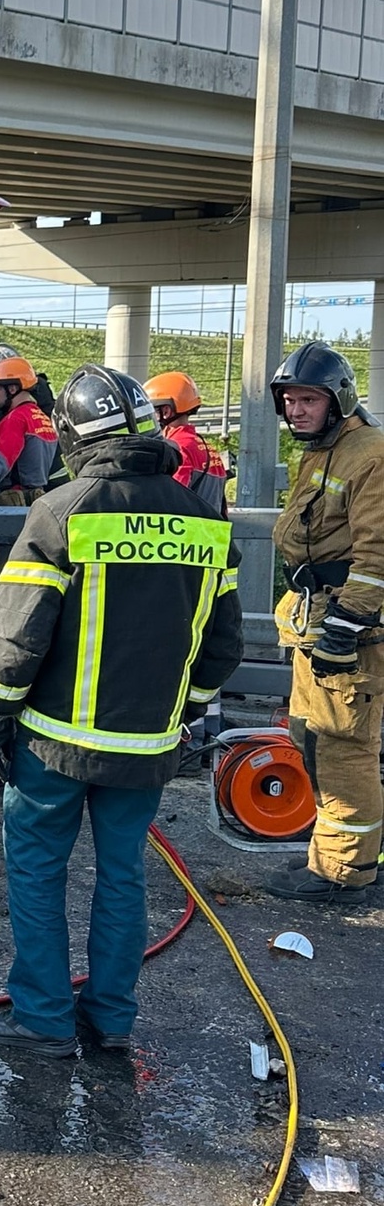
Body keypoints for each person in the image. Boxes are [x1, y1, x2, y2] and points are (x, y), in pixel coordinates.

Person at [0, 365, 242, 1057]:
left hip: (53, 746)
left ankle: (43, 1019)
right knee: (123, 876)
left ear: (72, 437)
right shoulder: (206, 521)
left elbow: (17, 638)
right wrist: (183, 712)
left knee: (38, 871)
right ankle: (112, 1019)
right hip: (148, 747)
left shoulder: (62, 512)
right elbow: (224, 644)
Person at [268, 342, 384, 902]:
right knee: (310, 738)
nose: (296, 410)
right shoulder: (322, 449)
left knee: (344, 745)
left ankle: (344, 874)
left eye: (309, 399)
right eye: (289, 400)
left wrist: (348, 623)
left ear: (337, 399)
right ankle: (332, 851)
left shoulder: (369, 454)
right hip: (316, 618)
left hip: (348, 628)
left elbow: (378, 552)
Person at [0, 357, 63, 506]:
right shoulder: (41, 418)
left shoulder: (15, 419)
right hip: (36, 500)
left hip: (13, 502)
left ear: (12, 389)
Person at [144, 371, 228, 518]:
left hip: (186, 536)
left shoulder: (176, 448)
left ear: (166, 411)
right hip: (212, 536)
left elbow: (170, 503)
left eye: (150, 411)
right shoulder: (208, 448)